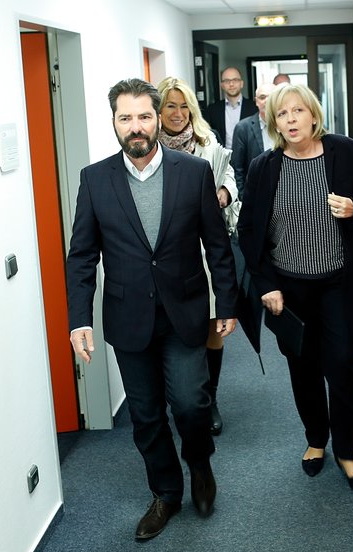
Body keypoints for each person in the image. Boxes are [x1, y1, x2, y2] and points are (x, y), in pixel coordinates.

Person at [66, 78, 238, 540]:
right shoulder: (95, 179)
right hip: (128, 318)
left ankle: (199, 463)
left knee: (191, 404)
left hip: (185, 310)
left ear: (158, 118)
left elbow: (216, 243)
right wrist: (79, 319)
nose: (136, 126)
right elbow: (81, 256)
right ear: (114, 122)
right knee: (145, 415)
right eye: (126, 118)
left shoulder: (193, 172)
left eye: (144, 116)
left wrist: (226, 301)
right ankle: (166, 492)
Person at [237, 83, 353, 496]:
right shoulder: (264, 167)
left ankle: (347, 451)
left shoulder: (345, 152)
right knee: (302, 369)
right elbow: (248, 230)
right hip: (289, 289)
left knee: (343, 366)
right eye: (281, 114)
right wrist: (267, 285)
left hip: (339, 283)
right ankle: (316, 440)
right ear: (273, 122)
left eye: (297, 111)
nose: (290, 120)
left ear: (313, 114)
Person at [156, 75, 237, 436]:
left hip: (203, 249)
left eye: (183, 106)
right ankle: (178, 396)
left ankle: (209, 399)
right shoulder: (149, 148)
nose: (178, 113)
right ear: (159, 110)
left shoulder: (207, 142)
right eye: (170, 106)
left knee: (210, 326)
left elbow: (229, 174)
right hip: (167, 253)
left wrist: (224, 191)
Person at [231, 82, 276, 201]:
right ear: (256, 101)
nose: (266, 101)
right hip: (254, 196)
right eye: (262, 97)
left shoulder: (286, 125)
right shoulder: (243, 128)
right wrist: (243, 199)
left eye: (271, 97)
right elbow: (237, 168)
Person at [203, 67, 256, 150]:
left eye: (235, 80)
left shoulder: (254, 108)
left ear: (241, 83)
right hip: (222, 155)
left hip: (248, 156)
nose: (231, 84)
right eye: (227, 81)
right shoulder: (212, 110)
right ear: (222, 85)